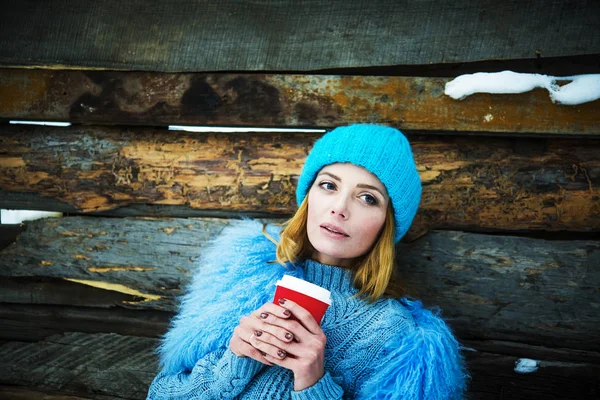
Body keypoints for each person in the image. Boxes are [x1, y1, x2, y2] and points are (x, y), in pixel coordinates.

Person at [147, 124, 468, 399]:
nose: (339, 208)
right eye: (329, 185)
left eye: (368, 197)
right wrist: (235, 359)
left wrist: (314, 384)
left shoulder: (404, 342)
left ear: (387, 223)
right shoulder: (240, 270)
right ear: (309, 195)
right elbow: (159, 393)